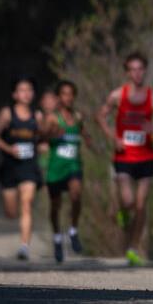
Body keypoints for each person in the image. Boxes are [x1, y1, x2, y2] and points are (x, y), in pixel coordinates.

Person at [98, 53, 153, 267]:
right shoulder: (118, 95)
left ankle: (132, 248)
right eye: (132, 69)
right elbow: (100, 116)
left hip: (146, 157)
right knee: (129, 201)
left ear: (145, 71)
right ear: (127, 72)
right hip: (123, 156)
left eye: (140, 68)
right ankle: (123, 211)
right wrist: (113, 137)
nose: (137, 73)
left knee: (141, 206)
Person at [0, 79, 44, 260]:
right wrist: (9, 149)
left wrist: (43, 146)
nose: (26, 93)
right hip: (10, 167)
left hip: (29, 166)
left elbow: (41, 138)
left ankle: (24, 247)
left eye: (29, 90)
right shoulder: (7, 114)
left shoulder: (37, 116)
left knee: (26, 204)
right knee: (11, 212)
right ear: (14, 94)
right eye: (22, 90)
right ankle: (17, 227)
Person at [41, 80, 88, 263]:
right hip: (55, 168)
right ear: (59, 97)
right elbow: (42, 135)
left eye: (71, 94)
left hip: (74, 165)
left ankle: (73, 231)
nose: (68, 97)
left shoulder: (78, 116)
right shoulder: (52, 117)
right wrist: (52, 133)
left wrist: (91, 143)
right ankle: (57, 239)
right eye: (64, 94)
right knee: (55, 206)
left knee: (76, 195)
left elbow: (83, 133)